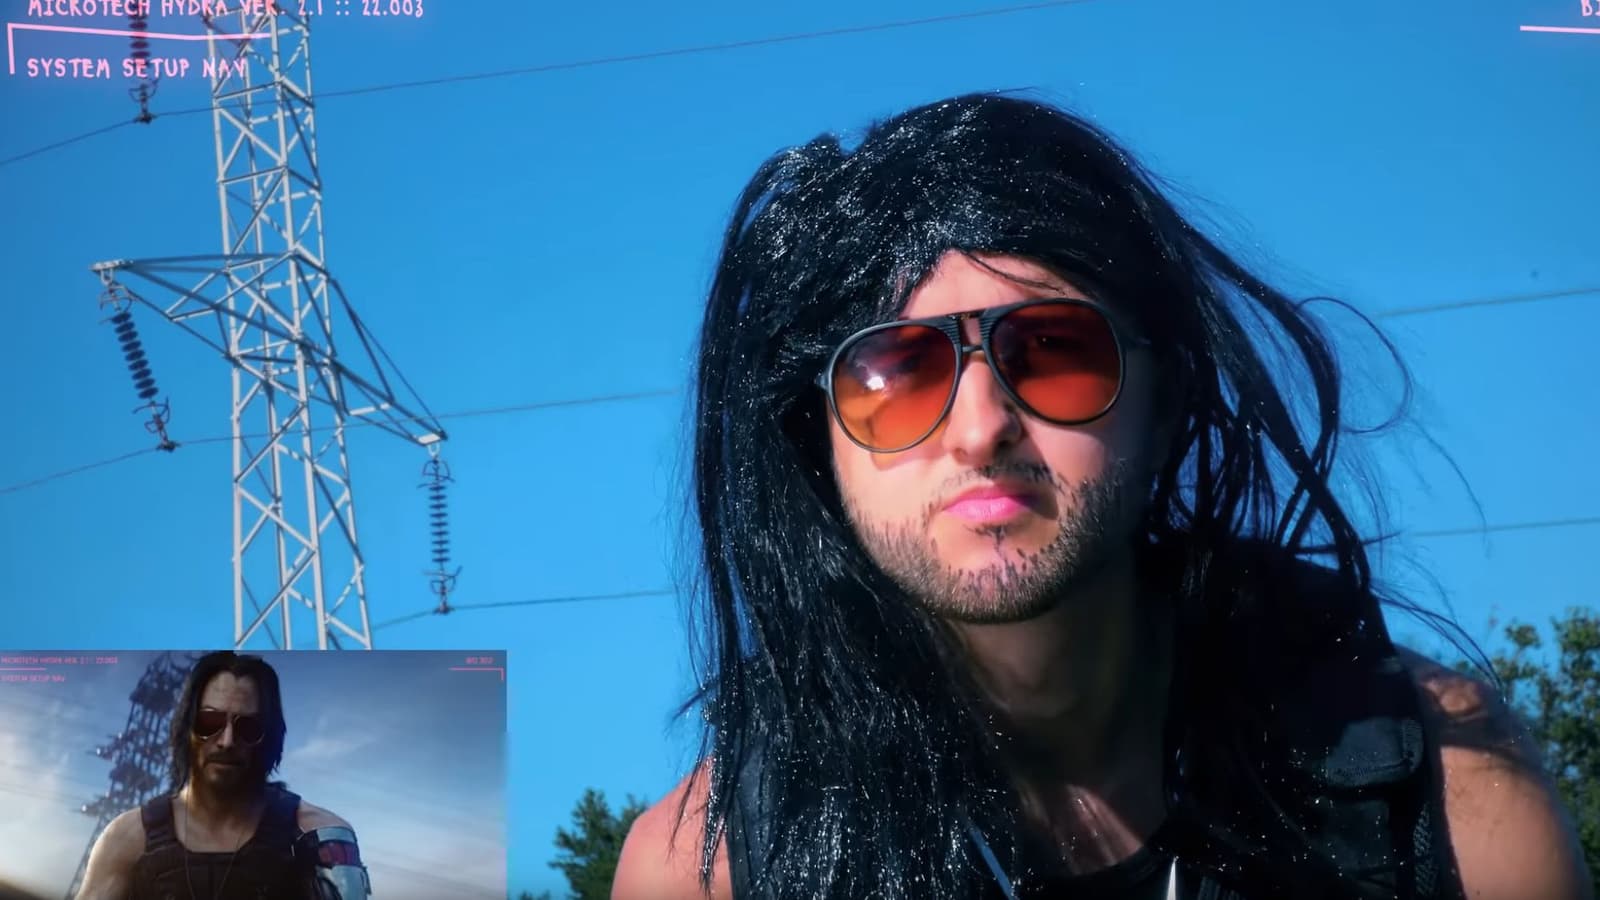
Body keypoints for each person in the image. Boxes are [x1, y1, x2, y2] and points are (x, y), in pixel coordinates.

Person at [612, 93, 1594, 899]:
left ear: (1164, 403)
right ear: (819, 447)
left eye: (1053, 350)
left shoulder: (1445, 794)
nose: (979, 427)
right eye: (897, 375)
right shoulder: (707, 871)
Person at [75, 652, 372, 900]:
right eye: (210, 721)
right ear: (186, 726)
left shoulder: (317, 833)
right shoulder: (127, 838)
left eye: (248, 727)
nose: (227, 741)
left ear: (268, 736)